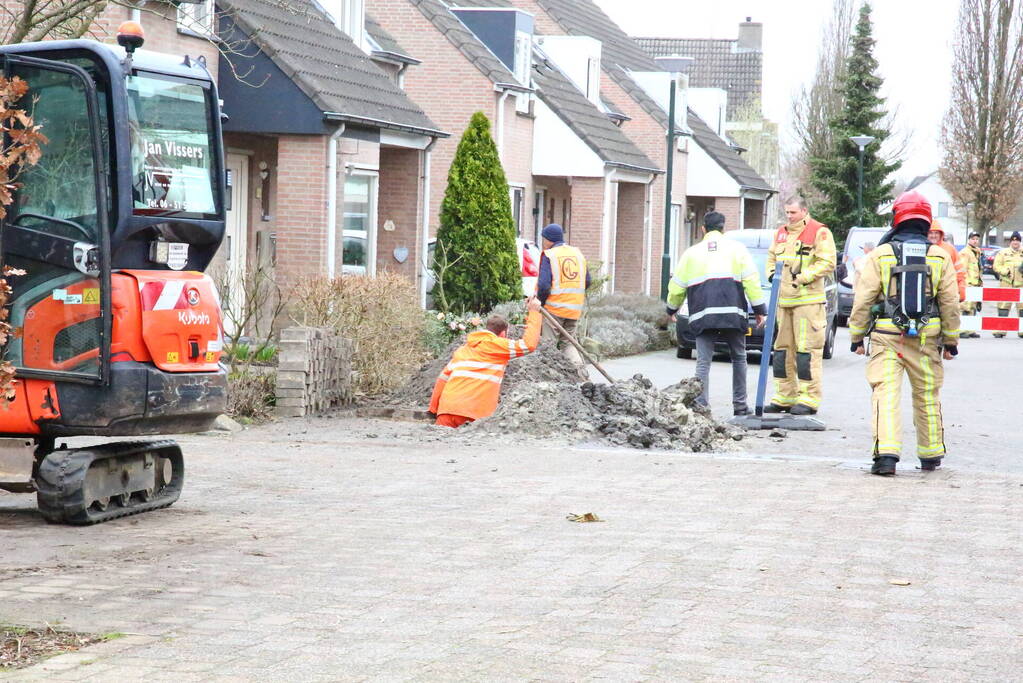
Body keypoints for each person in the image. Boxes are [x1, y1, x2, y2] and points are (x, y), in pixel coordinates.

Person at [848, 191, 960, 475]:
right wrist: (951, 341)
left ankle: (886, 456)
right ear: (926, 221)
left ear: (897, 218)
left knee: (886, 393)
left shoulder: (881, 255)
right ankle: (931, 454)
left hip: (888, 336)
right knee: (927, 394)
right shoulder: (939, 256)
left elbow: (863, 299)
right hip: (927, 337)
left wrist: (856, 336)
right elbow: (950, 303)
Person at [665, 212, 767, 415]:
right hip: (732, 314)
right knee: (739, 357)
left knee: (703, 362)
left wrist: (671, 309)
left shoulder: (691, 253)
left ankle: (702, 406)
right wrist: (759, 310)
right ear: (723, 229)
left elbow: (677, 286)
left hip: (703, 316)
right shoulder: (738, 250)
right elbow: (752, 282)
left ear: (703, 229)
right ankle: (740, 406)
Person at [764, 196, 836, 416]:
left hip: (808, 302)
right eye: (786, 212)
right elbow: (771, 258)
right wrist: (770, 276)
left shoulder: (819, 232)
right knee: (782, 351)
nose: (789, 216)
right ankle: (785, 396)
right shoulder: (780, 233)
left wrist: (803, 277)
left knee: (806, 352)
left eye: (793, 212)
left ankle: (808, 399)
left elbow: (827, 262)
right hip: (783, 301)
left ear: (804, 211)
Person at [429, 297, 543, 427]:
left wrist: (433, 410)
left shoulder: (463, 350)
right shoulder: (498, 345)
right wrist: (534, 312)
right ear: (502, 334)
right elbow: (528, 345)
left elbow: (442, 379)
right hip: (474, 413)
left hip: (447, 411)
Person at [536, 223, 590, 376]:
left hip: (554, 309)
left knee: (548, 345)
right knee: (568, 342)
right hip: (574, 309)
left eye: (543, 239)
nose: (543, 242)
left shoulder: (550, 255)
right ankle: (580, 373)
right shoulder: (577, 254)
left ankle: (550, 377)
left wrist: (540, 302)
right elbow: (588, 281)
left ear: (549, 240)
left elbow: (544, 285)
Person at [991, 231, 1023, 338]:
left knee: (1022, 308)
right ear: (1010, 242)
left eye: (1017, 240)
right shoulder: (1003, 253)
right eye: (1013, 240)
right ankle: (1001, 330)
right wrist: (1005, 271)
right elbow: (996, 266)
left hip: (1021, 286)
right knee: (1003, 307)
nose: (1015, 242)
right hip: (1006, 284)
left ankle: (1022, 331)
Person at [928, 220, 966, 302]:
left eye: (936, 233)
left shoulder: (950, 249)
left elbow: (959, 271)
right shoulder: (922, 248)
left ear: (941, 234)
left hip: (947, 290)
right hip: (927, 292)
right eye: (930, 233)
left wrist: (961, 288)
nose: (933, 236)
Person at [958, 232, 983, 337]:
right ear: (969, 240)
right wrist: (964, 283)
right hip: (968, 284)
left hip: (976, 284)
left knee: (973, 308)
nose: (975, 241)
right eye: (973, 239)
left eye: (977, 239)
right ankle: (962, 330)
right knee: (965, 308)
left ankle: (970, 330)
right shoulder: (965, 252)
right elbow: (962, 268)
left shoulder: (977, 252)